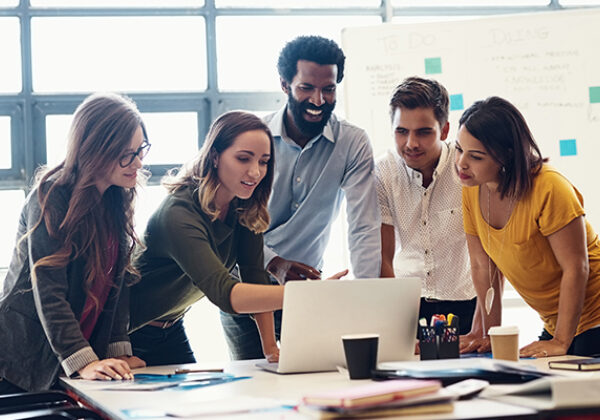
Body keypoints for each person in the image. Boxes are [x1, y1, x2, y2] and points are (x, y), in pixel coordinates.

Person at [219, 35, 380, 360]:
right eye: (306, 87)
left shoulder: (352, 143)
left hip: (306, 292)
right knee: (255, 385)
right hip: (246, 287)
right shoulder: (254, 139)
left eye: (329, 89)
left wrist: (368, 300)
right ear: (284, 84)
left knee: (308, 381)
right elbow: (229, 223)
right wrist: (275, 264)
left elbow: (363, 228)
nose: (318, 100)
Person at [0, 92, 148, 393]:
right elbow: (49, 292)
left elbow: (115, 287)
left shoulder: (116, 198)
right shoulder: (50, 198)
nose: (138, 162)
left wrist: (118, 352)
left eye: (140, 150)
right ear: (96, 149)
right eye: (127, 153)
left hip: (69, 355)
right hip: (24, 356)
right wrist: (83, 361)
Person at [128, 111, 286, 366]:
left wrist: (271, 348)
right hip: (128, 334)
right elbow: (225, 294)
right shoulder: (179, 213)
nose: (256, 172)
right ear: (214, 156)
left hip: (171, 327)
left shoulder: (242, 207)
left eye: (264, 161)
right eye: (243, 159)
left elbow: (255, 276)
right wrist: (301, 295)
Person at [455, 96, 600, 357]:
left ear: (506, 157)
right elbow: (483, 266)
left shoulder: (550, 188)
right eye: (459, 149)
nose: (461, 163)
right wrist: (486, 332)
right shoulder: (472, 189)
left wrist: (560, 341)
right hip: (557, 321)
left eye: (475, 156)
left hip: (595, 314)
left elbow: (576, 267)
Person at [376, 77, 477, 335]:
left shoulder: (468, 167)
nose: (411, 143)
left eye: (423, 132)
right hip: (407, 305)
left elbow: (489, 255)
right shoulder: (383, 173)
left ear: (444, 130)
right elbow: (382, 258)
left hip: (465, 305)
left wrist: (486, 324)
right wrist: (395, 323)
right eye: (401, 131)